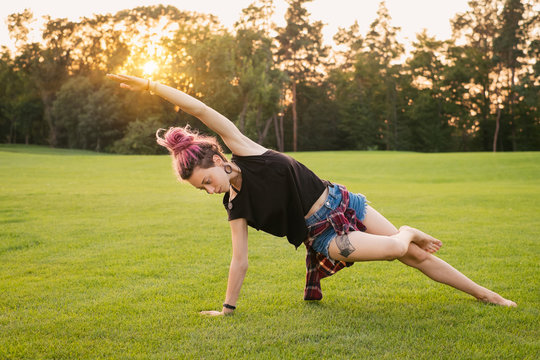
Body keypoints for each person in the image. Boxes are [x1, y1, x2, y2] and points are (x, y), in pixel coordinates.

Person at [107, 73, 517, 315]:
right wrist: (227, 310)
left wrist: (150, 84)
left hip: (343, 201)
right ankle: (408, 230)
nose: (210, 189)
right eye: (202, 190)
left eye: (206, 180)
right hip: (325, 237)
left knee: (415, 256)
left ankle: (487, 295)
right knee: (397, 247)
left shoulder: (244, 149)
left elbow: (200, 110)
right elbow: (239, 260)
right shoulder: (235, 206)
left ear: (215, 156)